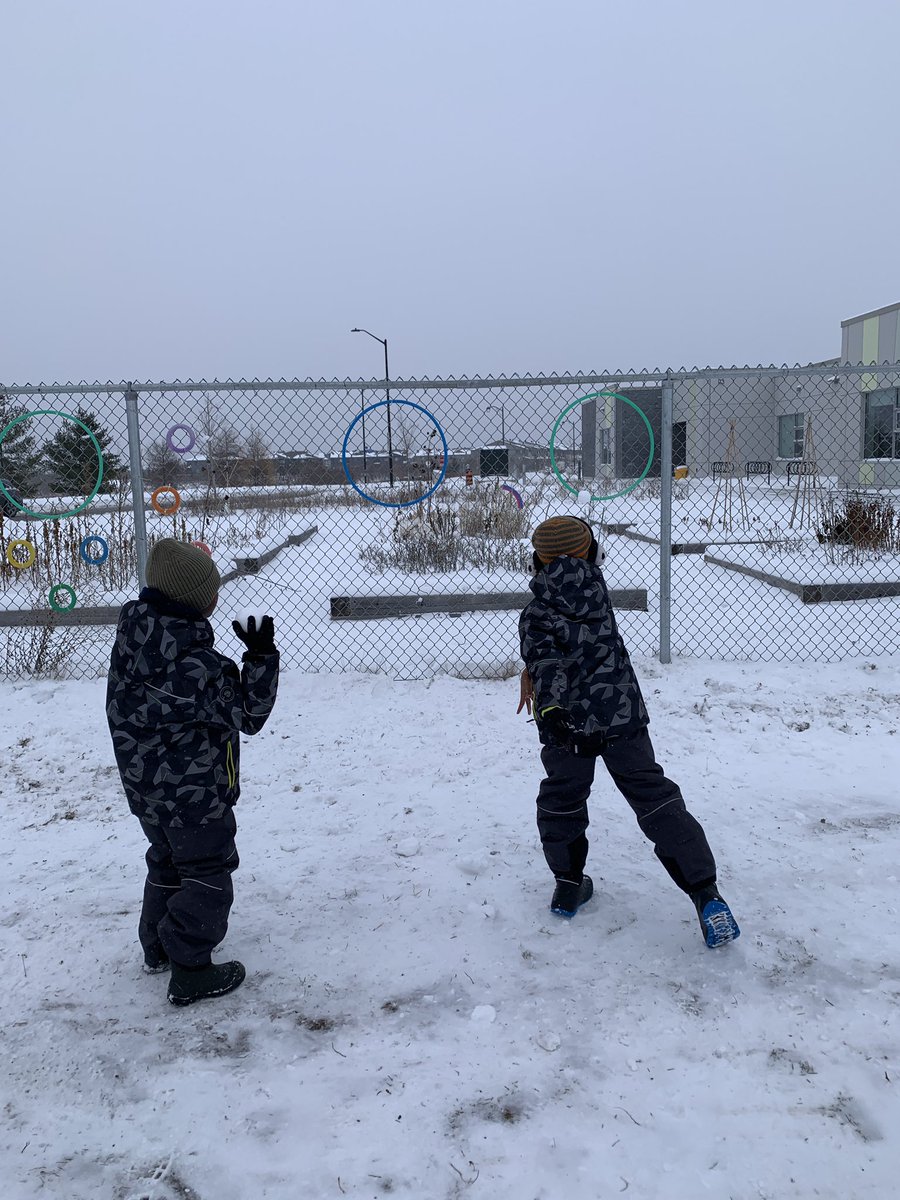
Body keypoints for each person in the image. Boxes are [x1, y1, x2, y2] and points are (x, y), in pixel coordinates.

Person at [517, 515, 739, 949]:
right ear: (595, 555)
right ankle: (705, 893)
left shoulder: (537, 610)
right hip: (623, 718)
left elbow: (548, 664)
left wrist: (553, 707)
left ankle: (567, 883)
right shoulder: (596, 591)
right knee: (655, 799)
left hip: (567, 728)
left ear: (536, 563)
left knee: (562, 798)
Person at [106, 538, 280, 1004]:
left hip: (147, 791)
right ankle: (190, 968)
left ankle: (158, 946)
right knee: (207, 872)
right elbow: (249, 713)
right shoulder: (196, 665)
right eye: (212, 589)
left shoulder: (135, 641)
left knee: (166, 860)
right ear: (200, 602)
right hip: (195, 795)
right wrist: (261, 656)